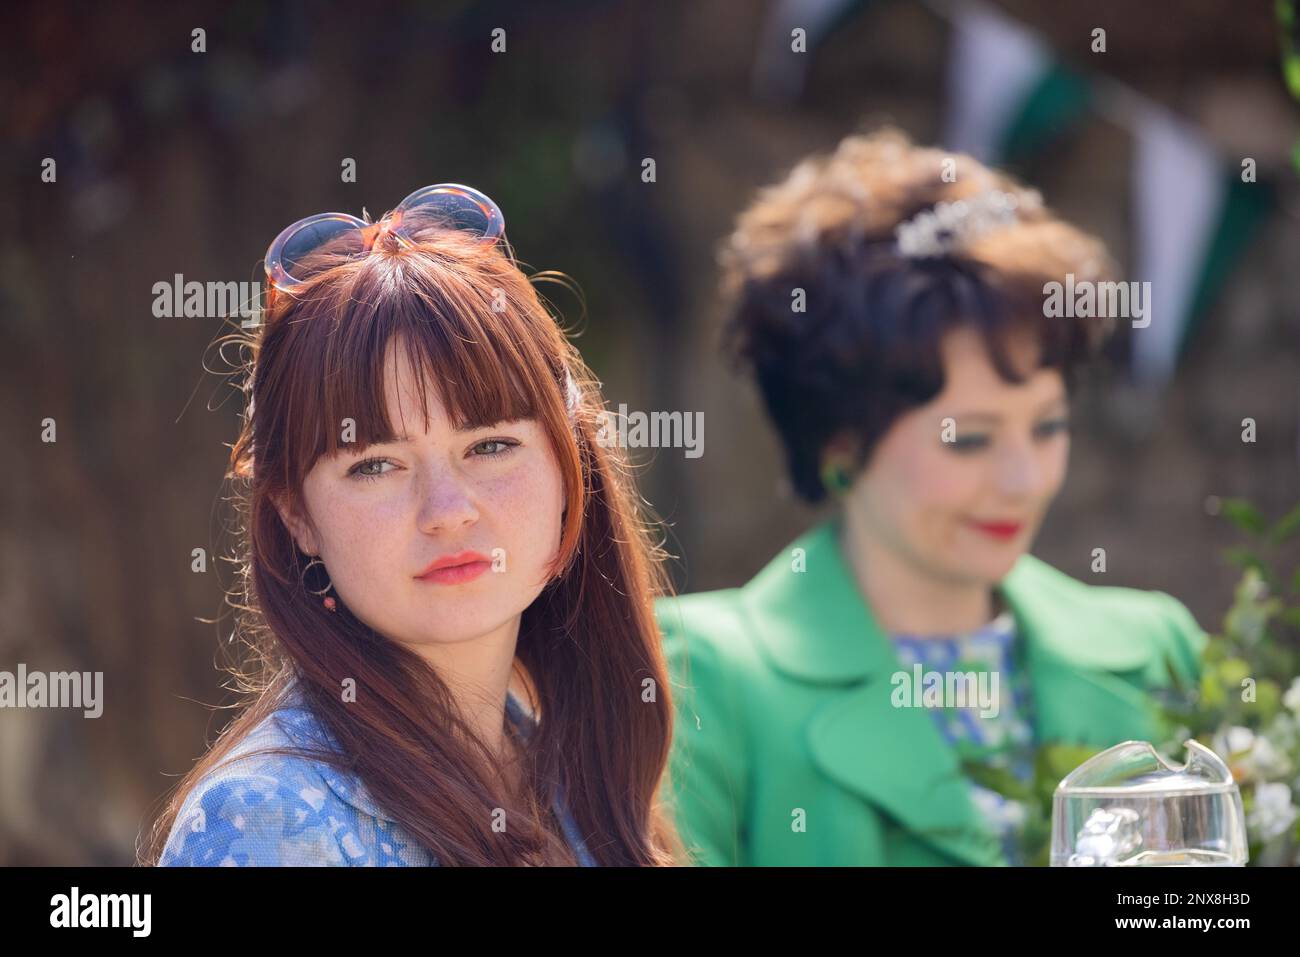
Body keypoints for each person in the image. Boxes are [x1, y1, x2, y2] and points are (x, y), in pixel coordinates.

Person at [656, 130, 1207, 866]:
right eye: (969, 439)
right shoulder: (697, 675)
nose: (1024, 478)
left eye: (1047, 427)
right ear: (839, 446)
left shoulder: (1157, 648)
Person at [143, 184, 680, 866]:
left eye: (489, 445)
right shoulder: (268, 819)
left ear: (570, 464)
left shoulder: (573, 769)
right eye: (375, 465)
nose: (448, 509)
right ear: (297, 515)